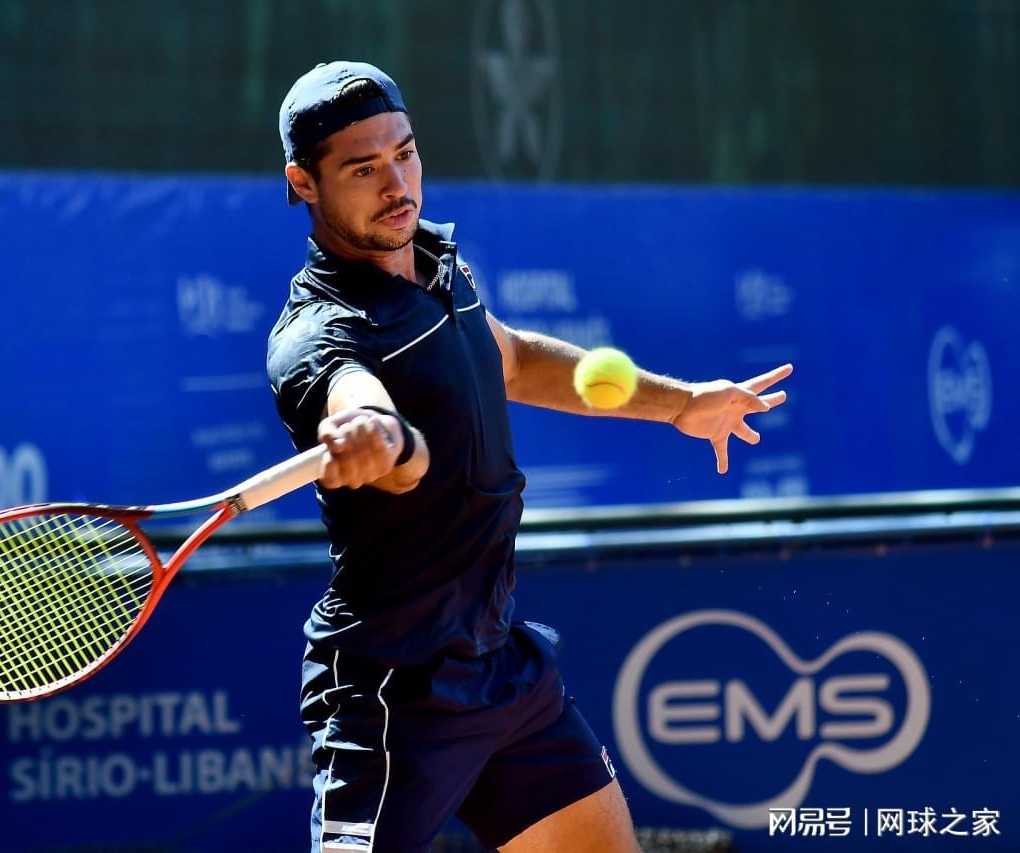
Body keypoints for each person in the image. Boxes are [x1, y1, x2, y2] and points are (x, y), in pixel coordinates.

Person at [267, 61, 791, 853]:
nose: (398, 185)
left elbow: (511, 360)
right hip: (396, 693)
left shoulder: (439, 266)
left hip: (501, 665)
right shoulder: (319, 336)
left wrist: (682, 403)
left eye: (405, 154)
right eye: (363, 169)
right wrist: (376, 431)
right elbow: (369, 415)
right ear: (303, 182)